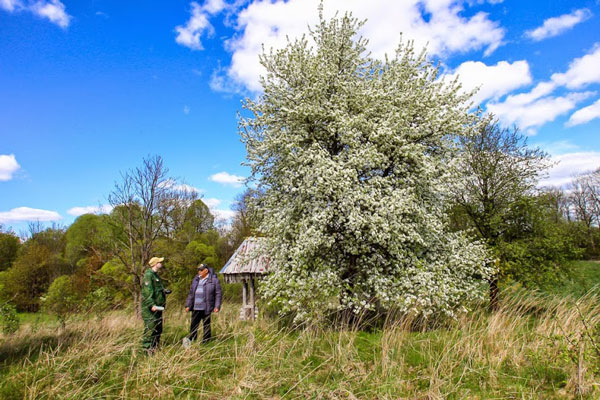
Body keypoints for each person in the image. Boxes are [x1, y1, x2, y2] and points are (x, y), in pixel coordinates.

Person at [183, 263, 222, 347]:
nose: (199, 272)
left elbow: (218, 294)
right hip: (195, 307)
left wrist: (217, 306)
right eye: (198, 270)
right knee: (193, 325)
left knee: (206, 325)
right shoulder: (196, 279)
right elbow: (191, 294)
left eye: (201, 270)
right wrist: (188, 305)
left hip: (206, 307)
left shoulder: (214, 280)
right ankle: (192, 340)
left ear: (206, 270)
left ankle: (206, 342)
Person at [141, 256, 167, 354]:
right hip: (151, 309)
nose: (161, 263)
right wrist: (151, 305)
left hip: (158, 308)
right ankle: (147, 349)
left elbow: (156, 289)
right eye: (160, 262)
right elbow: (147, 292)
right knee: (150, 329)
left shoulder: (156, 275)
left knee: (158, 329)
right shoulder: (149, 275)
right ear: (156, 264)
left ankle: (154, 347)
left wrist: (163, 291)